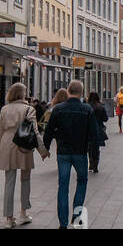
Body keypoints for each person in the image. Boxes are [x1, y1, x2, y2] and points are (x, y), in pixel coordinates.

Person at [42, 80, 100, 228]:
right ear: (81, 92)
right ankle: (76, 217)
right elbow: (95, 134)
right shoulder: (87, 110)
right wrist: (92, 153)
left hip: (63, 153)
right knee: (81, 182)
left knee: (63, 187)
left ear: (68, 91)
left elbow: (48, 131)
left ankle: (63, 223)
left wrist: (45, 149)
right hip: (80, 153)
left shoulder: (58, 109)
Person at [0, 83, 46, 228]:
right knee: (25, 180)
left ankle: (9, 218)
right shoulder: (29, 109)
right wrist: (42, 150)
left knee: (9, 182)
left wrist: (1, 146)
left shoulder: (4, 109)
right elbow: (35, 131)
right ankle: (24, 213)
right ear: (23, 94)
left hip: (7, 143)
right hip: (23, 144)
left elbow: (0, 130)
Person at [86, 91, 108, 172]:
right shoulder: (101, 107)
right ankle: (95, 164)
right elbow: (105, 119)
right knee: (96, 148)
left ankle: (91, 163)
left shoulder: (86, 107)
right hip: (98, 129)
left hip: (88, 130)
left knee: (89, 147)